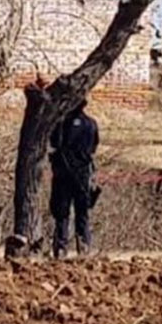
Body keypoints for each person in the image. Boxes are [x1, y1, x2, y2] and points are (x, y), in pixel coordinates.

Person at [49, 99, 100, 258]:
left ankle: (61, 247)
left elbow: (53, 142)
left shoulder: (61, 124)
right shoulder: (91, 124)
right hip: (83, 174)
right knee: (82, 213)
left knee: (62, 213)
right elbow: (94, 146)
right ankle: (83, 246)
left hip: (63, 174)